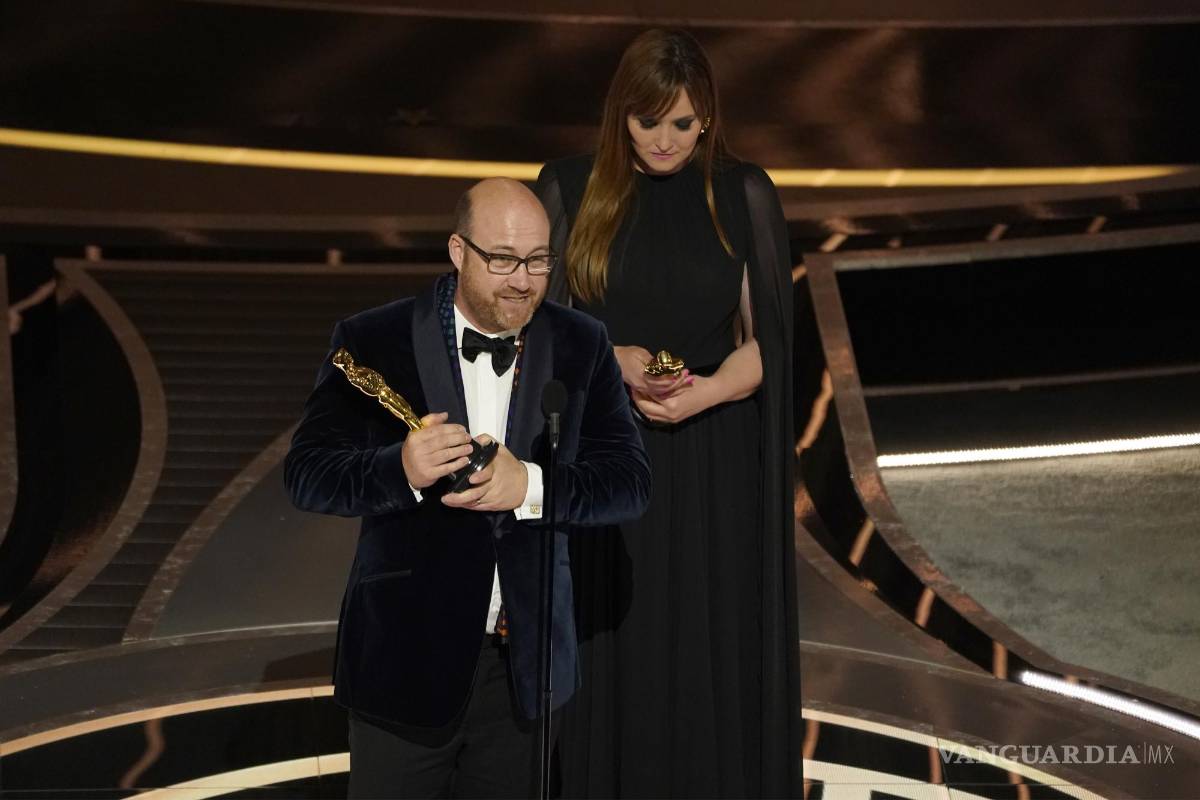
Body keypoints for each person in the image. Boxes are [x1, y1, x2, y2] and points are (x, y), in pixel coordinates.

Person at [284, 178, 651, 799]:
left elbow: (629, 484)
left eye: (538, 261)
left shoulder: (582, 344)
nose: (523, 280)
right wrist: (398, 468)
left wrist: (530, 485)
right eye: (503, 260)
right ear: (458, 251)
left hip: (525, 672)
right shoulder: (373, 340)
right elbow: (308, 474)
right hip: (404, 665)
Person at [535, 28, 801, 798]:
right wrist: (615, 364)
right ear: (621, 115)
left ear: (708, 118)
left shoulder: (744, 193)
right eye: (648, 122)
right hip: (606, 456)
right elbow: (536, 334)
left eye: (682, 124)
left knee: (704, 645)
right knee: (614, 641)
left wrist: (707, 393)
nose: (663, 141)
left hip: (713, 463)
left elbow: (771, 348)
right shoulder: (570, 186)